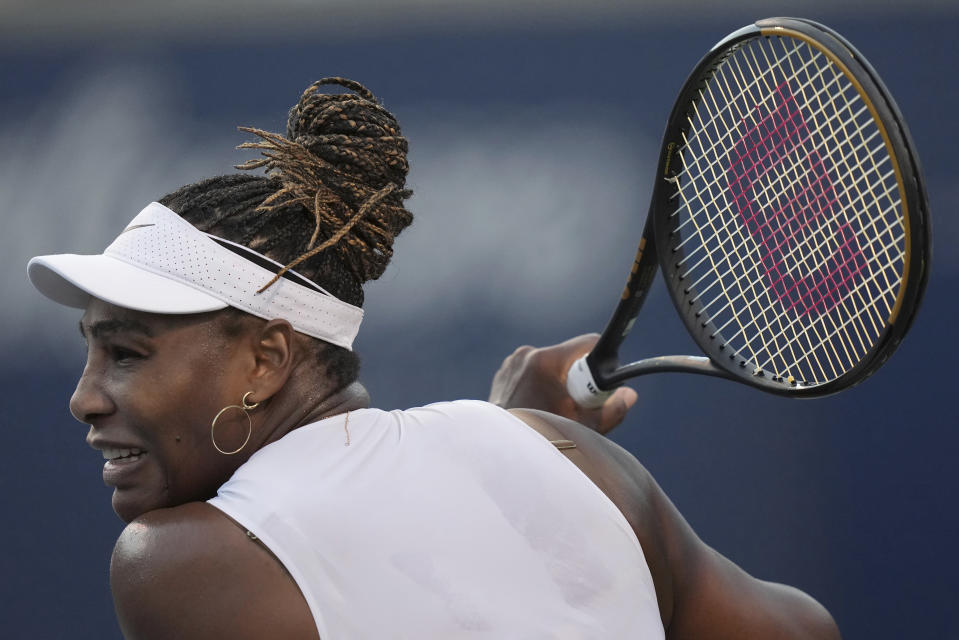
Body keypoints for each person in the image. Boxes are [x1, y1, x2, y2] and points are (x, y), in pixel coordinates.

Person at [28, 78, 841, 639]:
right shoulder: (580, 466)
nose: (86, 399)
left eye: (126, 354)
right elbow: (800, 628)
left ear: (267, 360)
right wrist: (522, 450)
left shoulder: (176, 564)